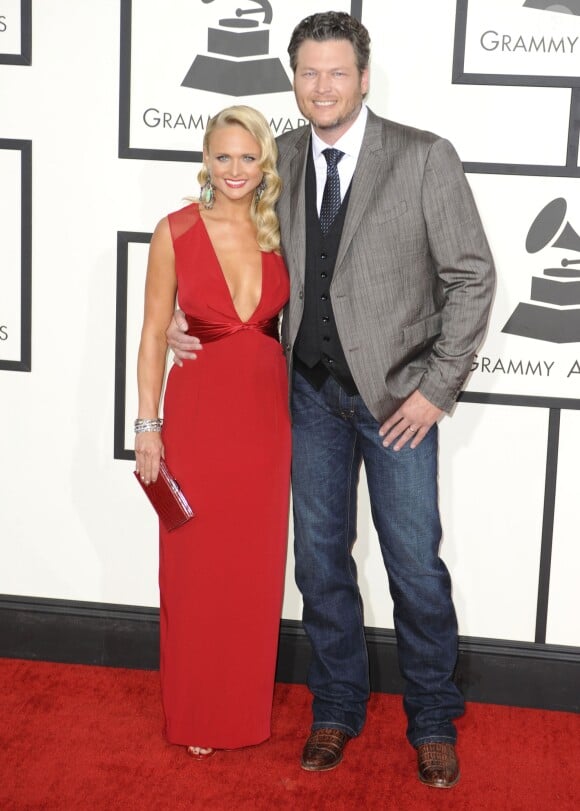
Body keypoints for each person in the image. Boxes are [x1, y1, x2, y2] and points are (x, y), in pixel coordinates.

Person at [167, 12, 495, 787]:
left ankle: (433, 717)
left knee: (414, 565)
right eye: (309, 73)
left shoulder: (422, 158)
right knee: (319, 563)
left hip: (398, 406)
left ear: (364, 76)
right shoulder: (275, 160)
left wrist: (436, 389)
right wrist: (190, 320)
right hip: (307, 398)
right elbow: (230, 254)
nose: (323, 87)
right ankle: (338, 706)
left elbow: (472, 276)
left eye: (337, 72)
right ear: (293, 80)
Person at [135, 105, 291, 759]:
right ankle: (198, 712)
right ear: (205, 160)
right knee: (195, 569)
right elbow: (151, 331)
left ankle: (242, 711)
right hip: (197, 420)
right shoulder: (175, 230)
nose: (233, 170)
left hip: (264, 425)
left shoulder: (280, 231)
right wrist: (148, 425)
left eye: (246, 157)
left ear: (264, 166)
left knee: (252, 573)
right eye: (222, 157)